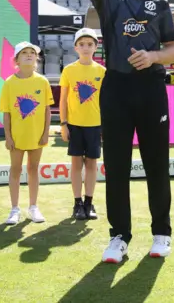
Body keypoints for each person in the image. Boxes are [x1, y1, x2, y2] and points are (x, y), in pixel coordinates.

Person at [81, 0, 174, 264]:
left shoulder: (160, 3)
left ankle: (162, 233)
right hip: (117, 89)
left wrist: (153, 57)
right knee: (117, 166)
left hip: (152, 89)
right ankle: (119, 237)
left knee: (157, 164)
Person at [0, 41, 53, 225]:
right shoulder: (9, 83)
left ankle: (33, 207)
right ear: (17, 60)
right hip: (16, 137)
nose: (29, 55)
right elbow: (6, 113)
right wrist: (8, 136)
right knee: (15, 170)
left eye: (32, 52)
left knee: (33, 169)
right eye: (24, 53)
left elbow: (46, 110)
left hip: (37, 136)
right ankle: (14, 209)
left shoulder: (42, 81)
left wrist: (45, 133)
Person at [59, 28, 106, 221]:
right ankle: (77, 203)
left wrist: (106, 126)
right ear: (75, 47)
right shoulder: (69, 70)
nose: (86, 48)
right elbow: (63, 100)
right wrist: (63, 124)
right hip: (75, 125)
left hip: (95, 125)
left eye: (90, 44)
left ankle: (89, 202)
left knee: (92, 164)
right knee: (76, 164)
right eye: (82, 44)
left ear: (96, 47)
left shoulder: (102, 71)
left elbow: (106, 101)